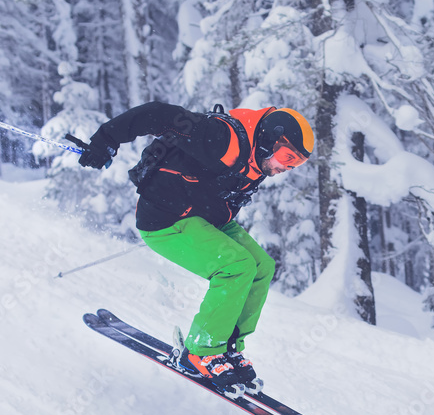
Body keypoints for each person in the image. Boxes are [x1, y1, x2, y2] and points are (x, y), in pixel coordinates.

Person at [78, 101, 314, 394]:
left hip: (205, 219)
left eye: (295, 164)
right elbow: (159, 114)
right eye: (287, 157)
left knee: (261, 267)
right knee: (236, 267)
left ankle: (226, 345)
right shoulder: (220, 137)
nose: (285, 168)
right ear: (269, 141)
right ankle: (201, 352)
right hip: (166, 220)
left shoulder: (257, 156)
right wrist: (106, 139)